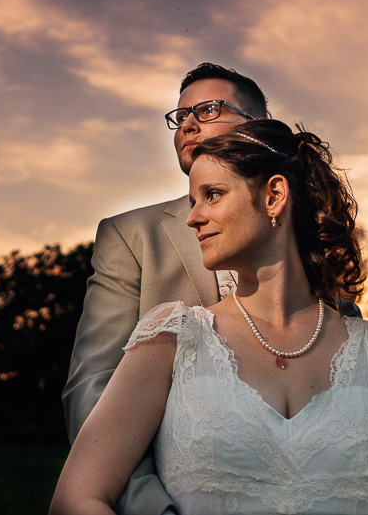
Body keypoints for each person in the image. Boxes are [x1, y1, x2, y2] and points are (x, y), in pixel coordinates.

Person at [51, 119, 368, 515]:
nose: (193, 217)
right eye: (193, 201)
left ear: (273, 196)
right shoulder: (173, 339)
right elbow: (76, 500)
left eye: (212, 194)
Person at [62, 62, 271, 511]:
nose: (187, 124)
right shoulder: (130, 234)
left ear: (259, 127)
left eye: (208, 109)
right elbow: (94, 384)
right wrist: (150, 506)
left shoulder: (313, 237)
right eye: (180, 117)